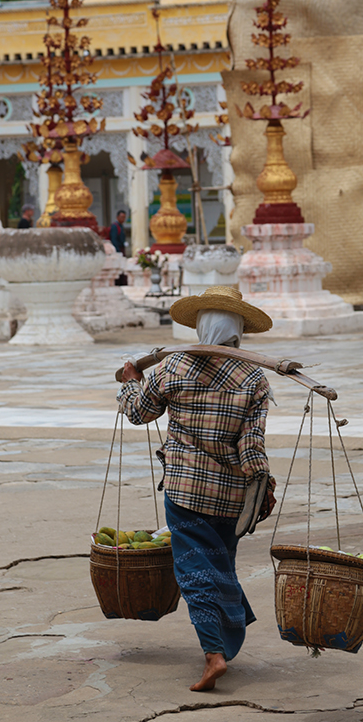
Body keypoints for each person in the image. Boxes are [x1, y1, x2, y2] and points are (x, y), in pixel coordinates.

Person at [118, 286, 276, 692]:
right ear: (238, 329)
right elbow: (251, 446)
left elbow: (138, 412)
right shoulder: (254, 378)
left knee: (194, 570)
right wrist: (263, 483)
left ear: (202, 326)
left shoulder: (174, 367)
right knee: (219, 563)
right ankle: (227, 635)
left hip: (185, 491)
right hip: (231, 495)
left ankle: (214, 653)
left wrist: (133, 381)